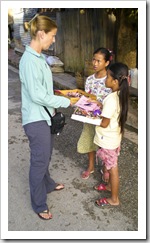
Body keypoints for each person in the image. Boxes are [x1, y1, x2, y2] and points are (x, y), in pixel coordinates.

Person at [19, 15, 72, 220]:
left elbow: (44, 89)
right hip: (35, 119)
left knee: (46, 155)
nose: (54, 40)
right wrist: (67, 102)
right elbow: (37, 95)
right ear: (41, 34)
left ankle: (47, 184)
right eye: (53, 35)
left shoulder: (39, 58)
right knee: (39, 160)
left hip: (45, 116)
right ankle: (39, 203)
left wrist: (63, 95)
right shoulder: (29, 61)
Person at [93, 62, 129, 206]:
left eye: (107, 76)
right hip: (115, 137)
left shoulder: (111, 99)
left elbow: (104, 123)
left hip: (107, 139)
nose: (105, 79)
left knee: (113, 169)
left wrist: (91, 118)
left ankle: (114, 199)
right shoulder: (120, 95)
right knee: (111, 164)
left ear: (115, 81)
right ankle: (109, 187)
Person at [77, 47, 112, 180]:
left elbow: (112, 101)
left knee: (104, 144)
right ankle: (91, 166)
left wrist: (100, 105)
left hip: (104, 119)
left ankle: (106, 167)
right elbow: (87, 98)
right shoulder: (90, 79)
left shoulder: (110, 80)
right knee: (90, 140)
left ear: (107, 63)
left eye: (99, 61)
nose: (95, 63)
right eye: (94, 60)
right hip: (90, 117)